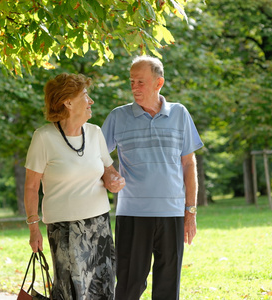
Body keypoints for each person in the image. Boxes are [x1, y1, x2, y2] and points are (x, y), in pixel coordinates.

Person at [101, 56, 204, 300]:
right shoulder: (118, 116)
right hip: (132, 213)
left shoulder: (180, 114)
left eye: (141, 82)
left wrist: (190, 211)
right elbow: (97, 157)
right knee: (128, 286)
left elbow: (189, 164)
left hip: (172, 213)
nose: (134, 87)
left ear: (159, 83)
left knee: (168, 288)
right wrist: (109, 174)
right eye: (132, 82)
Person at [24, 73, 125, 300]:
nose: (91, 102)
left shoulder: (95, 132)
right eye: (85, 96)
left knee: (103, 288)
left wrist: (113, 179)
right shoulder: (43, 138)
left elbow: (108, 169)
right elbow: (31, 187)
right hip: (65, 229)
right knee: (71, 292)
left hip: (99, 225)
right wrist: (33, 227)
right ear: (68, 102)